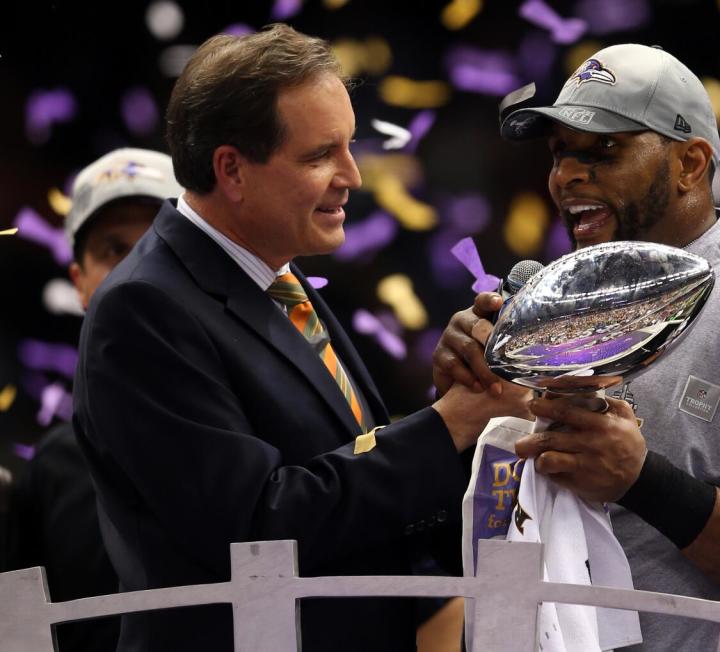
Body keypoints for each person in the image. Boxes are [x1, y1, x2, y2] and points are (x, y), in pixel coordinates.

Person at [72, 24, 529, 652]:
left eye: (349, 147)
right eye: (320, 156)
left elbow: (347, 474)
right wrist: (446, 424)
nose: (353, 176)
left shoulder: (278, 275)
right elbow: (259, 529)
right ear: (231, 170)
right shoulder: (143, 308)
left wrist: (459, 413)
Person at [433, 44, 720, 651]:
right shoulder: (554, 309)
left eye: (604, 151)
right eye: (560, 153)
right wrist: (462, 403)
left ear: (690, 164)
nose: (568, 175)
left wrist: (643, 481)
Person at [3, 147, 182, 652]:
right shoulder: (52, 469)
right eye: (112, 250)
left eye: (158, 243)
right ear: (79, 284)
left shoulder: (278, 422)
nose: (137, 270)